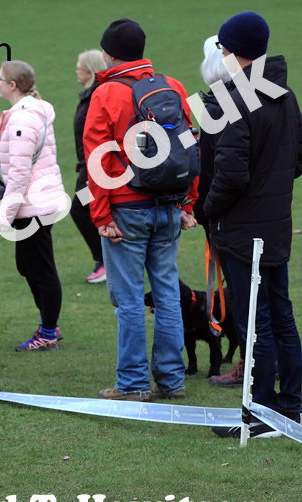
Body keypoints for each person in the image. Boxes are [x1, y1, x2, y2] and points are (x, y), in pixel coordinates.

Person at [84, 18, 199, 401]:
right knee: (167, 294)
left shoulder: (106, 94)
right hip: (168, 206)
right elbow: (191, 149)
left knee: (129, 299)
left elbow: (97, 161)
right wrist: (187, 204)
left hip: (125, 211)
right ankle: (171, 380)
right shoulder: (172, 86)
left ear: (108, 53)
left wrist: (101, 217)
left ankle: (132, 384)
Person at [204, 12, 302, 438]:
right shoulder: (286, 93)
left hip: (243, 231)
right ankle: (293, 407)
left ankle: (261, 413)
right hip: (276, 225)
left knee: (255, 322)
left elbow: (231, 174)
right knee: (281, 316)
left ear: (234, 53)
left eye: (224, 51)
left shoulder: (236, 100)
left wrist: (210, 211)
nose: (222, 58)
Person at [0, 61, 67, 351]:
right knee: (27, 266)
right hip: (37, 201)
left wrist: (6, 213)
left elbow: (20, 172)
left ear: (13, 85)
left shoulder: (23, 119)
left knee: (41, 269)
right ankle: (49, 324)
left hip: (34, 204)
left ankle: (48, 332)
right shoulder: (32, 110)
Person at [194, 35, 246, 386]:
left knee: (243, 289)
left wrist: (206, 212)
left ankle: (249, 361)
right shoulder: (254, 97)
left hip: (228, 215)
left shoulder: (218, 107)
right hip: (247, 210)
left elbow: (214, 169)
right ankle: (254, 359)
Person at [72, 50, 107, 284]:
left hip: (93, 171)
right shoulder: (89, 95)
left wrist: (91, 172)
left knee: (79, 208)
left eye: (80, 68)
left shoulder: (96, 97)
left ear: (91, 71)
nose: (76, 71)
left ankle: (105, 261)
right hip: (88, 168)